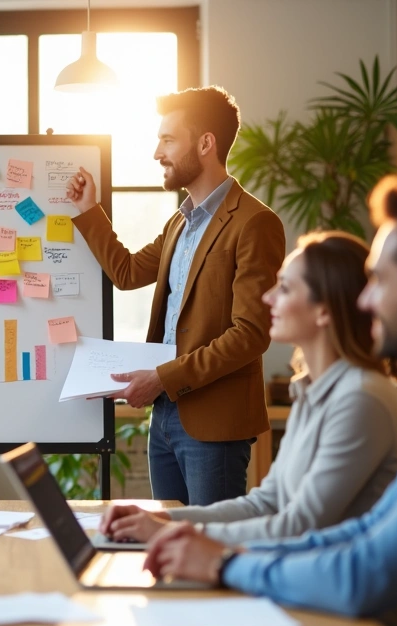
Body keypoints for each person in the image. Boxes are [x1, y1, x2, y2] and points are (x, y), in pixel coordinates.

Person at [144, 177, 397, 626]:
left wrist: (223, 563)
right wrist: (196, 542)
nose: (364, 301)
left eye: (379, 281)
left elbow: (368, 571)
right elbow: (366, 532)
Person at [100, 232, 397, 546]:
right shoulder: (314, 393)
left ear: (324, 310)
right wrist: (161, 519)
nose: (268, 298)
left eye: (285, 288)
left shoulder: (361, 399)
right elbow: (265, 503)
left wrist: (168, 532)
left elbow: (299, 526)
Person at [66, 86, 286, 505]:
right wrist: (89, 210)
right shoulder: (178, 224)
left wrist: (163, 378)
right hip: (165, 416)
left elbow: (251, 334)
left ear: (205, 144)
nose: (157, 153)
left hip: (214, 424)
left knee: (207, 540)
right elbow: (127, 272)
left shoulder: (254, 223)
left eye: (168, 140)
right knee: (168, 537)